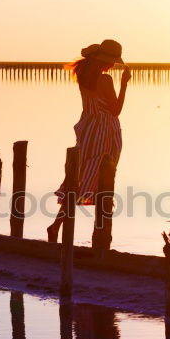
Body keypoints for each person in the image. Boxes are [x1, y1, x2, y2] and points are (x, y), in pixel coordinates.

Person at [47, 39, 131, 243]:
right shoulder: (106, 80)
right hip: (103, 130)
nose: (112, 66)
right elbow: (116, 110)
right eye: (111, 61)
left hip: (88, 128)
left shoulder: (84, 75)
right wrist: (124, 84)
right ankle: (96, 232)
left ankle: (56, 225)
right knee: (100, 176)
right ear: (105, 60)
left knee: (80, 178)